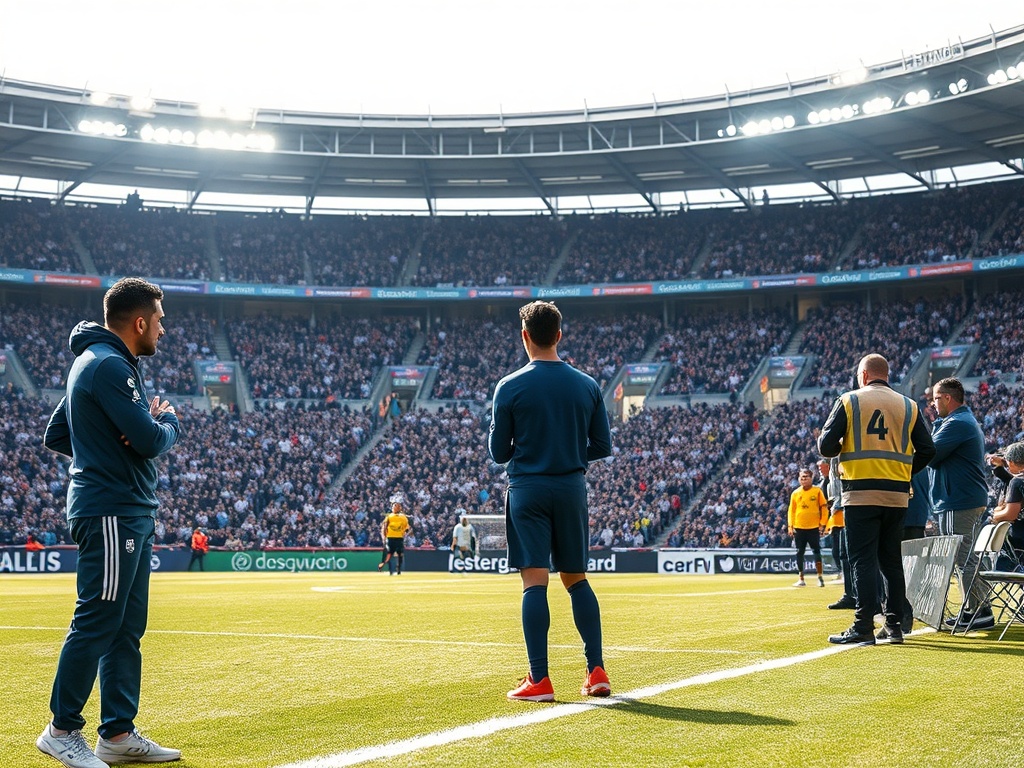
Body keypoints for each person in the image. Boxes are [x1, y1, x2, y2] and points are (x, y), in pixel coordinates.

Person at [37, 277, 182, 767]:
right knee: (99, 620)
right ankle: (61, 730)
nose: (164, 328)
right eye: (160, 319)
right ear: (139, 321)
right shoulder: (109, 366)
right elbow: (149, 440)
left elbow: (59, 432)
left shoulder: (98, 362)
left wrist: (105, 438)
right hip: (112, 511)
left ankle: (116, 735)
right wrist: (167, 422)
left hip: (127, 509)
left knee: (124, 627)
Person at [488, 301, 613, 702]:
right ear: (559, 334)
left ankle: (539, 680)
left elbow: (498, 452)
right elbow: (602, 445)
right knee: (576, 579)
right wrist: (567, 450)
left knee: (534, 582)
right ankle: (596, 671)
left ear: (525, 336)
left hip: (528, 489)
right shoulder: (588, 385)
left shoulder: (509, 386)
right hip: (571, 488)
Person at [818, 353, 935, 646]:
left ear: (864, 375)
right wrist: (904, 471)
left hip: (860, 492)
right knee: (891, 562)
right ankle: (894, 627)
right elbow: (928, 450)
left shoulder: (850, 400)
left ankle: (863, 626)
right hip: (896, 494)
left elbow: (826, 446)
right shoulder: (909, 405)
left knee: (862, 559)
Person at [928, 377, 993, 629]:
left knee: (963, 558)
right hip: (963, 498)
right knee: (969, 556)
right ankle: (977, 607)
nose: (933, 404)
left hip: (958, 500)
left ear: (947, 397)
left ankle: (979, 611)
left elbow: (931, 455)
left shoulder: (956, 423)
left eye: (935, 398)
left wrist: (936, 425)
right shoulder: (960, 421)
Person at [823, 457, 856, 610]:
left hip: (848, 507)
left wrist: (838, 503)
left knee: (851, 555)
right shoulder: (833, 462)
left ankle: (857, 596)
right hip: (839, 512)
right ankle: (850, 594)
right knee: (842, 554)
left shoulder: (842, 456)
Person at [788, 468, 829, 587]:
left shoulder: (817, 491)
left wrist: (822, 524)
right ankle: (801, 578)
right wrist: (790, 526)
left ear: (811, 478)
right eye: (802, 477)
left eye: (806, 477)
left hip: (813, 527)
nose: (804, 479)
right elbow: (791, 511)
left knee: (816, 551)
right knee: (799, 552)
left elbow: (824, 508)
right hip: (799, 527)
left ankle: (820, 577)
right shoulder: (795, 493)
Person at [991, 441, 1024, 565]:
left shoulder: (1018, 482)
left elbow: (1010, 514)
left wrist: (995, 515)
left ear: (1012, 462)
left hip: (1020, 540)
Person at [380, 501, 410, 575]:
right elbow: (384, 527)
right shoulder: (389, 517)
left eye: (396, 506)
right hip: (390, 538)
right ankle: (391, 571)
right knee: (389, 554)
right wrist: (384, 537)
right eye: (393, 507)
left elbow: (407, 527)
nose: (395, 508)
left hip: (399, 538)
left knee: (400, 554)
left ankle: (398, 569)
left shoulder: (403, 517)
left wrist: (404, 533)